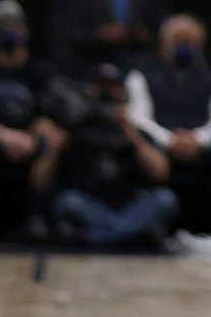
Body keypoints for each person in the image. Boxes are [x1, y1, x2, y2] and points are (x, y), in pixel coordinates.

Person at [125, 14, 211, 237]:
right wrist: (170, 140)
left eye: (191, 41)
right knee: (140, 149)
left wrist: (197, 140)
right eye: (179, 40)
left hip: (203, 150)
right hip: (160, 145)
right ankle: (150, 228)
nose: (184, 46)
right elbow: (139, 118)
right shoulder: (141, 76)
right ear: (164, 43)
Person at [47, 64, 180, 248]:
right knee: (67, 202)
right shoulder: (78, 127)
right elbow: (41, 183)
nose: (109, 93)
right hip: (91, 203)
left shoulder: (138, 131)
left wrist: (131, 133)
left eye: (113, 87)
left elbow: (160, 173)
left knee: (165, 199)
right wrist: (54, 147)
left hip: (131, 204)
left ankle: (102, 236)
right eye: (103, 87)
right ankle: (128, 234)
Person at [0, 0, 66, 236]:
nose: (10, 31)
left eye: (15, 25)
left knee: (54, 140)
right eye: (3, 27)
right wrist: (5, 136)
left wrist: (30, 138)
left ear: (25, 29)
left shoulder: (40, 70)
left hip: (30, 138)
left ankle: (39, 216)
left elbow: (47, 117)